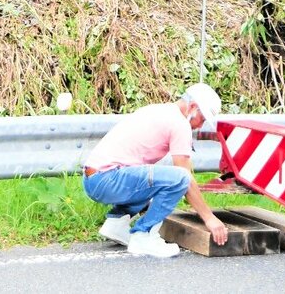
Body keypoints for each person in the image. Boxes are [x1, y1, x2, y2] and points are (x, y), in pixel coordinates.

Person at [82, 82, 229, 258]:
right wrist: (209, 218)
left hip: (93, 179)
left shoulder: (158, 110)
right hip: (108, 179)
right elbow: (185, 178)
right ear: (193, 107)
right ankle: (144, 235)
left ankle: (117, 223)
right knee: (179, 178)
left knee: (156, 179)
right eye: (202, 119)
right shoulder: (180, 124)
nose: (199, 126)